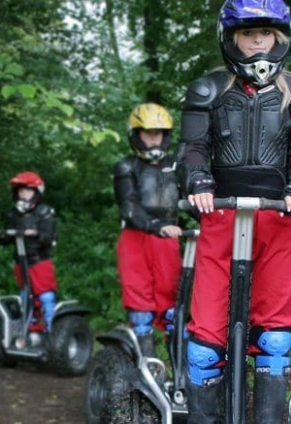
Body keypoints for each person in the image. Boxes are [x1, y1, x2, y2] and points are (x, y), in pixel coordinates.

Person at [180, 0, 291, 422]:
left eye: (265, 33)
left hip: (279, 217)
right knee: (205, 343)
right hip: (221, 213)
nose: (257, 41)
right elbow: (191, 150)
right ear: (231, 39)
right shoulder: (208, 89)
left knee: (274, 340)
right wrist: (198, 180)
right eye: (247, 33)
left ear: (279, 37)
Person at [113, 103, 184, 358]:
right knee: (140, 310)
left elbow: (193, 201)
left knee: (173, 309)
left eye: (159, 132)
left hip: (168, 240)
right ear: (136, 134)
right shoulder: (126, 167)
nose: (154, 138)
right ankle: (145, 374)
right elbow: (128, 206)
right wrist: (155, 226)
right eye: (148, 132)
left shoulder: (176, 166)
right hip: (136, 239)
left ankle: (183, 380)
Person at [0, 171, 59, 336]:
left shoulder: (45, 212)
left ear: (36, 193)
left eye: (28, 191)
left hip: (40, 261)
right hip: (21, 262)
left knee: (45, 297)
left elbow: (49, 237)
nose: (24, 194)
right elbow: (8, 238)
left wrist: (35, 234)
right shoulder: (13, 214)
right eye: (21, 191)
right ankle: (29, 328)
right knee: (25, 296)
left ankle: (53, 332)